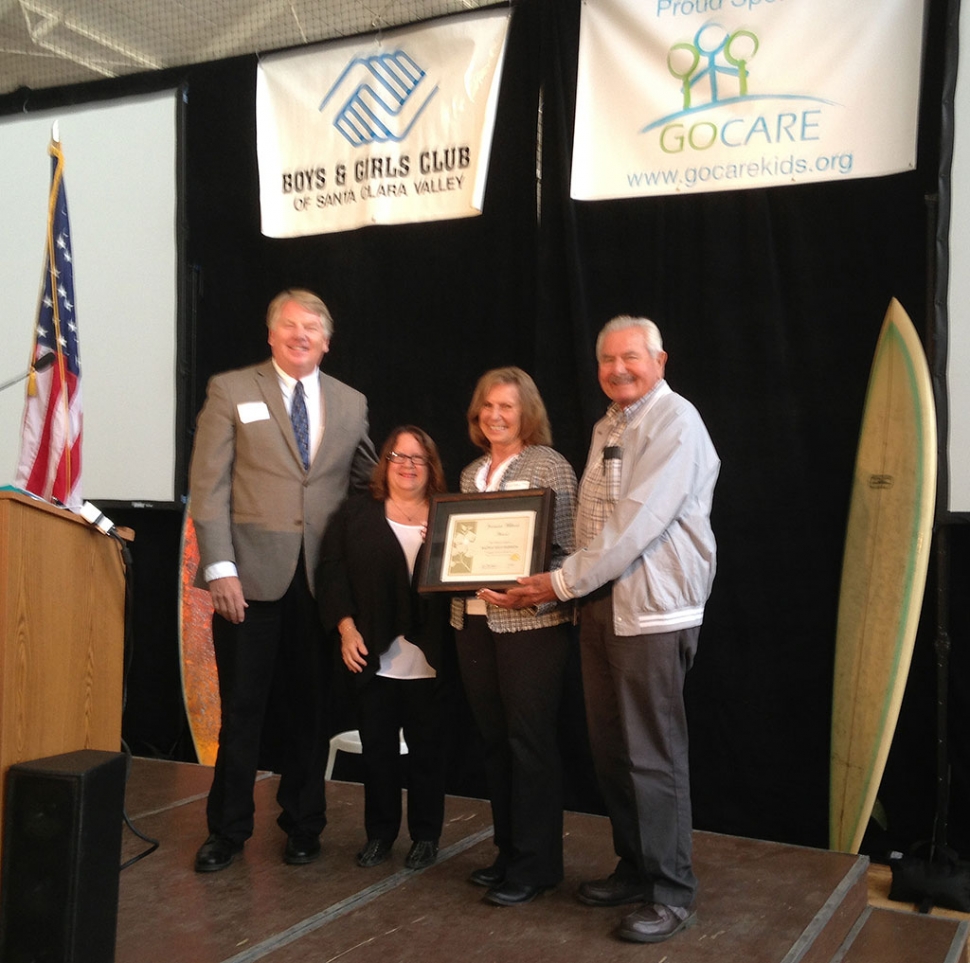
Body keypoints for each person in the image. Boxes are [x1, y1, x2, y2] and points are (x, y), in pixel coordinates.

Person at [484, 316, 719, 943]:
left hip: (651, 610)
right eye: (608, 360)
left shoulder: (676, 423)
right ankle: (637, 867)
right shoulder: (608, 424)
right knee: (613, 750)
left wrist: (558, 583)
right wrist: (570, 583)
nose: (618, 369)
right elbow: (593, 524)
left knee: (652, 754)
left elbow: (635, 525)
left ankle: (671, 891)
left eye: (631, 357)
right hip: (601, 605)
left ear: (660, 360)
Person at [188, 288, 377, 872]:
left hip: (321, 585)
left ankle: (303, 824)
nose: (301, 335)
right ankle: (227, 831)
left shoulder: (351, 402)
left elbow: (370, 482)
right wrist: (220, 567)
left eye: (312, 327)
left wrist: (424, 512)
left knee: (310, 711)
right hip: (246, 580)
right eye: (290, 325)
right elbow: (208, 486)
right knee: (242, 711)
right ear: (271, 334)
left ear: (327, 340)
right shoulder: (231, 390)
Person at [452, 366, 578, 907]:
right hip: (473, 622)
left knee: (529, 743)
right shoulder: (470, 474)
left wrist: (536, 594)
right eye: (487, 405)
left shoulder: (549, 465)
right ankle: (507, 852)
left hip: (532, 625)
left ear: (527, 412)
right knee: (494, 741)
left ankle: (536, 865)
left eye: (507, 406)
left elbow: (571, 551)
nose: (495, 415)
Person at [317, 426, 450, 872]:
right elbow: (331, 572)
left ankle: (426, 837)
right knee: (378, 752)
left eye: (418, 458)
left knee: (428, 754)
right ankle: (380, 835)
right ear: (385, 463)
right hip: (372, 654)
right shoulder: (356, 513)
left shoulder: (450, 514)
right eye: (399, 456)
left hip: (431, 658)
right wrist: (346, 629)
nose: (408, 465)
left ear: (430, 467)